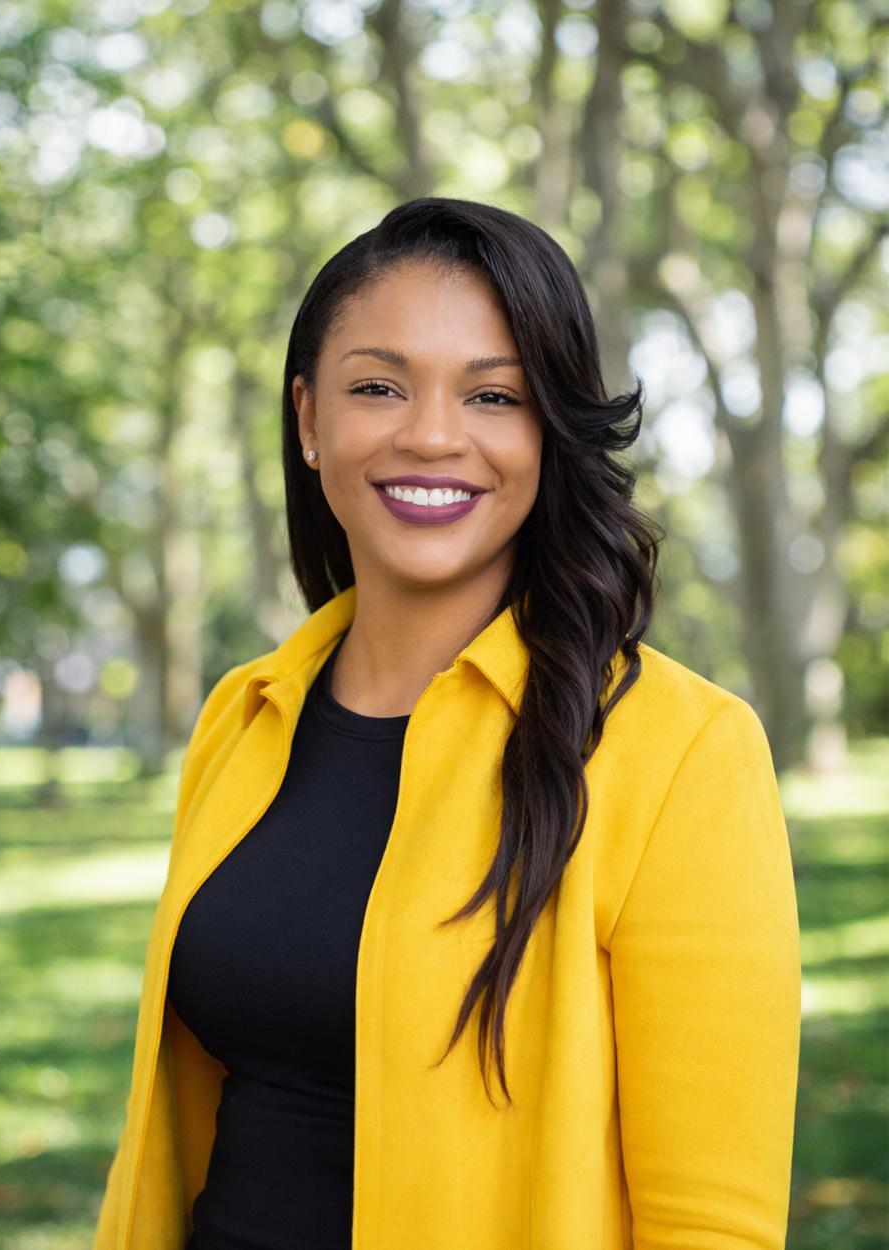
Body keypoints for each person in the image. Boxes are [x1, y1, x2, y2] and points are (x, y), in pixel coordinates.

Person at [92, 196, 801, 1250]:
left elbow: (712, 1221)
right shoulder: (245, 716)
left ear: (549, 430)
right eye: (378, 385)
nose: (431, 434)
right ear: (308, 421)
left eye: (494, 395)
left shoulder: (681, 748)